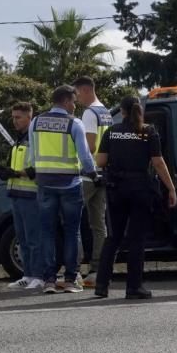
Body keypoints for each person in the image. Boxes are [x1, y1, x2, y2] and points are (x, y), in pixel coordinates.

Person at [94, 93, 176, 300]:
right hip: (141, 189)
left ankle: (101, 286)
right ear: (139, 110)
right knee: (136, 239)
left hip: (117, 189)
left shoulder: (112, 132)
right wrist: (171, 188)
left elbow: (101, 161)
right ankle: (134, 287)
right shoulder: (148, 131)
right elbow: (158, 163)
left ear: (121, 111)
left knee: (113, 238)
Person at [27, 85, 96, 294]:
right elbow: (84, 156)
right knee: (71, 231)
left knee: (47, 232)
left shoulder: (35, 122)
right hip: (70, 184)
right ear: (66, 101)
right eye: (73, 102)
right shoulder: (74, 123)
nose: (74, 106)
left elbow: (32, 154)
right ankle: (70, 279)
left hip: (45, 184)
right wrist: (93, 173)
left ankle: (49, 280)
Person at [72, 76, 111, 286]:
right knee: (99, 224)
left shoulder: (89, 113)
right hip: (103, 173)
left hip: (88, 175)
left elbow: (90, 146)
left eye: (77, 93)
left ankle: (74, 270)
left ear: (86, 90)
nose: (76, 99)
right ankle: (98, 269)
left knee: (72, 220)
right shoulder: (105, 111)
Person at [2, 101, 44, 291]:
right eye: (13, 117)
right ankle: (27, 275)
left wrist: (15, 173)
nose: (14, 121)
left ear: (29, 117)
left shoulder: (34, 138)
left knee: (34, 238)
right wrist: (4, 171)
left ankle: (39, 276)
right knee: (22, 238)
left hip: (30, 196)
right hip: (16, 195)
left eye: (18, 117)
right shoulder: (19, 138)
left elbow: (37, 168)